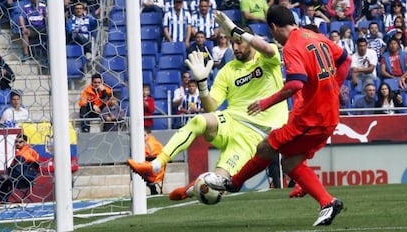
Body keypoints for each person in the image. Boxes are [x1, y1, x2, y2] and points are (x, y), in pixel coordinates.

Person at [206, 6, 351, 226]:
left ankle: (233, 183)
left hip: (313, 118)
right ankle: (326, 201)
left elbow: (295, 83)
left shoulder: (292, 45)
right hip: (328, 115)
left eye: (271, 31)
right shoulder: (315, 36)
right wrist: (333, 88)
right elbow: (345, 60)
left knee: (268, 147)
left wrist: (265, 102)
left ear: (274, 27)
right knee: (291, 162)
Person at [127, 23, 288, 202]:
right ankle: (156, 166)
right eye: (232, 43)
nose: (234, 47)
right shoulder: (228, 70)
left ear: (249, 41)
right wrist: (202, 83)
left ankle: (190, 190)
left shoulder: (267, 58)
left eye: (238, 42)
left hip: (255, 136)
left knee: (217, 184)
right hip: (232, 120)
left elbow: (269, 50)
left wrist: (235, 28)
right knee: (199, 121)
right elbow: (211, 107)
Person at [0, 134, 39, 204]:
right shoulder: (31, 152)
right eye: (16, 142)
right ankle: (3, 200)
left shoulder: (21, 155)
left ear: (25, 143)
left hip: (20, 180)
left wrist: (7, 176)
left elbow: (18, 172)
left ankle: (2, 201)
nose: (17, 143)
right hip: (30, 180)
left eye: (20, 142)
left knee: (0, 179)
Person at [144, 127, 165, 195]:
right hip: (160, 171)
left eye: (144, 135)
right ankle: (153, 189)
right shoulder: (158, 144)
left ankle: (153, 189)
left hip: (150, 171)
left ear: (149, 135)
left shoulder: (145, 145)